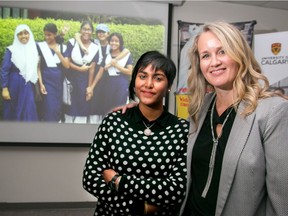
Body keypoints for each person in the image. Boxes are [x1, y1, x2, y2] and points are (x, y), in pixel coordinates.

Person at [178, 21, 288, 216]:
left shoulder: (272, 112)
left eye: (222, 52)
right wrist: (138, 108)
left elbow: (282, 201)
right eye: (205, 56)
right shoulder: (201, 108)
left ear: (239, 54)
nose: (214, 62)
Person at [82, 51, 189, 215]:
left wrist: (119, 181)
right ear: (134, 81)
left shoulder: (182, 130)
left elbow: (176, 188)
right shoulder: (113, 122)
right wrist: (139, 208)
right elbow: (90, 178)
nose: (148, 84)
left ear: (168, 86)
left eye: (158, 78)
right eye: (143, 76)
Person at [86, 32, 133, 122]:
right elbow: (100, 72)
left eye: (116, 41)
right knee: (108, 108)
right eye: (112, 41)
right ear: (109, 42)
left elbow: (130, 72)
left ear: (120, 43)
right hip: (109, 84)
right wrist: (91, 87)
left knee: (119, 108)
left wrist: (115, 65)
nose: (114, 43)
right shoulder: (107, 55)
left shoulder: (126, 55)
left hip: (121, 83)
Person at [1, 24, 39, 121]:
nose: (23, 36)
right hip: (14, 84)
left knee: (28, 109)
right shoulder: (11, 50)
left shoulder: (33, 49)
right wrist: (4, 88)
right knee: (14, 110)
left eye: (26, 33)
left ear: (29, 34)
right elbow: (4, 70)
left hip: (29, 85)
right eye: (20, 34)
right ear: (16, 36)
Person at [64, 20, 99, 123]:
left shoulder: (95, 47)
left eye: (89, 30)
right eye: (84, 29)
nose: (86, 32)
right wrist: (79, 68)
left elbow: (92, 69)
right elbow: (66, 62)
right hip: (71, 79)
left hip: (84, 80)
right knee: (70, 103)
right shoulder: (72, 42)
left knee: (83, 104)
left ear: (92, 32)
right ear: (80, 30)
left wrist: (89, 88)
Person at [37, 23, 70, 122]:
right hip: (46, 82)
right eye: (45, 34)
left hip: (58, 83)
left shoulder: (63, 47)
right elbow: (38, 67)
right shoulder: (41, 46)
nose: (46, 37)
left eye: (49, 35)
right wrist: (41, 83)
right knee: (48, 107)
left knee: (57, 107)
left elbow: (67, 65)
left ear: (55, 34)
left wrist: (58, 53)